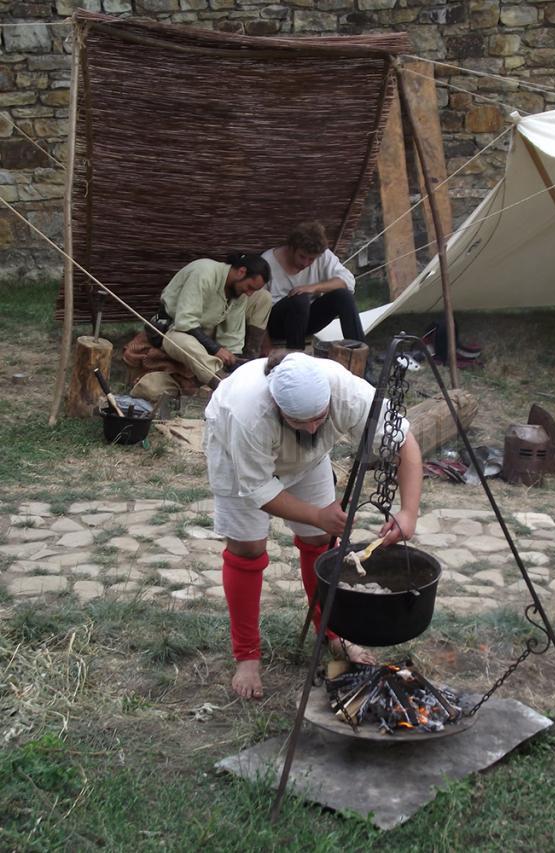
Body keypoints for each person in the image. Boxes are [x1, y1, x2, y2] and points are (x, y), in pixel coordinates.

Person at [204, 351, 423, 699]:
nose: (310, 427)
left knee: (321, 538)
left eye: (318, 418)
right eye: (298, 421)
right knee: (248, 549)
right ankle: (247, 655)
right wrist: (317, 512)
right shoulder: (246, 413)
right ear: (277, 405)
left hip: (307, 460)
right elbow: (260, 490)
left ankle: (332, 630)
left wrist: (408, 512)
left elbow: (404, 445)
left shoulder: (347, 392)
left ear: (328, 402)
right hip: (236, 457)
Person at [156, 253, 272, 389]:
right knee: (184, 343)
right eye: (250, 287)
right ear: (241, 272)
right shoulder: (204, 273)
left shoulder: (239, 292)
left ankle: (240, 375)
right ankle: (223, 386)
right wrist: (216, 349)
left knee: (264, 297)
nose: (249, 293)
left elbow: (232, 336)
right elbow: (185, 321)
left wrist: (233, 359)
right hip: (175, 329)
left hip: (207, 329)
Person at [261, 221, 365, 350]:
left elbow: (348, 281)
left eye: (311, 259)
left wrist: (313, 287)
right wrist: (266, 346)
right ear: (291, 248)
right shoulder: (267, 261)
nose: (305, 263)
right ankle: (296, 356)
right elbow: (255, 309)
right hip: (277, 324)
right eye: (302, 257)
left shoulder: (323, 256)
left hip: (307, 321)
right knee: (300, 298)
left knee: (344, 296)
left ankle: (359, 352)